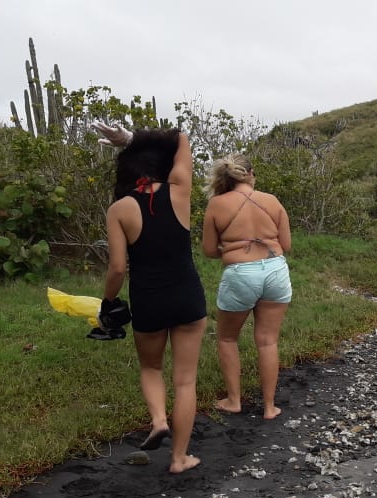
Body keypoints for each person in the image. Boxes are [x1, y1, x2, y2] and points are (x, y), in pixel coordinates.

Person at [94, 122, 206, 474]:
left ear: (126, 168)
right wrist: (134, 138)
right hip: (187, 294)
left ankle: (159, 419)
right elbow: (182, 138)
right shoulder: (179, 190)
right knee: (185, 380)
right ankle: (179, 458)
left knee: (151, 367)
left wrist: (107, 303)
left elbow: (116, 269)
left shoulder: (119, 209)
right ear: (164, 164)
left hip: (147, 299)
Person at [202, 154, 292, 421]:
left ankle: (234, 400)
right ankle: (269, 407)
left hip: (241, 272)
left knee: (228, 337)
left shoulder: (217, 204)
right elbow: (285, 244)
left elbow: (208, 250)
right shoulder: (272, 201)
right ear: (251, 174)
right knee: (268, 341)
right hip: (275, 269)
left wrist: (233, 251)